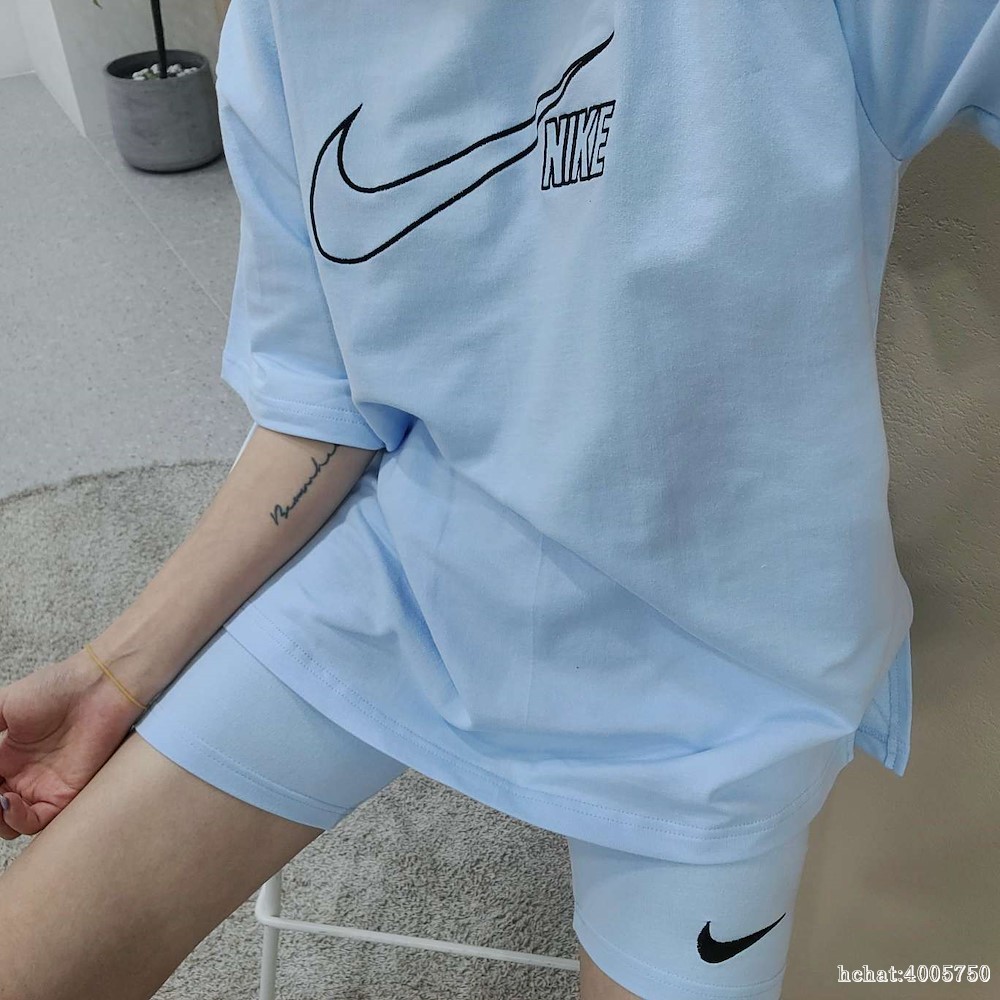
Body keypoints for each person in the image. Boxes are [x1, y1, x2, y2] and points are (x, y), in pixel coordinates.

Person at [1, 2, 998, 998]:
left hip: (716, 691)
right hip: (410, 576)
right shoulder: (282, 23)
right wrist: (113, 673)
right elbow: (324, 408)